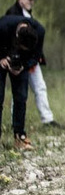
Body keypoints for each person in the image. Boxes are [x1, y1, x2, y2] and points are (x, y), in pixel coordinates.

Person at [5, 0, 64, 129]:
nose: (31, 1)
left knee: (40, 87)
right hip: (19, 59)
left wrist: (33, 60)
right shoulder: (12, 14)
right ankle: (16, 124)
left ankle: (47, 119)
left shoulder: (28, 14)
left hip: (32, 60)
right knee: (18, 91)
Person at [0, 15, 44, 150]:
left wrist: (24, 66)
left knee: (21, 98)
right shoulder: (3, 26)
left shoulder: (39, 31)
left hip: (22, 64)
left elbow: (36, 56)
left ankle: (19, 136)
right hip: (2, 56)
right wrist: (1, 58)